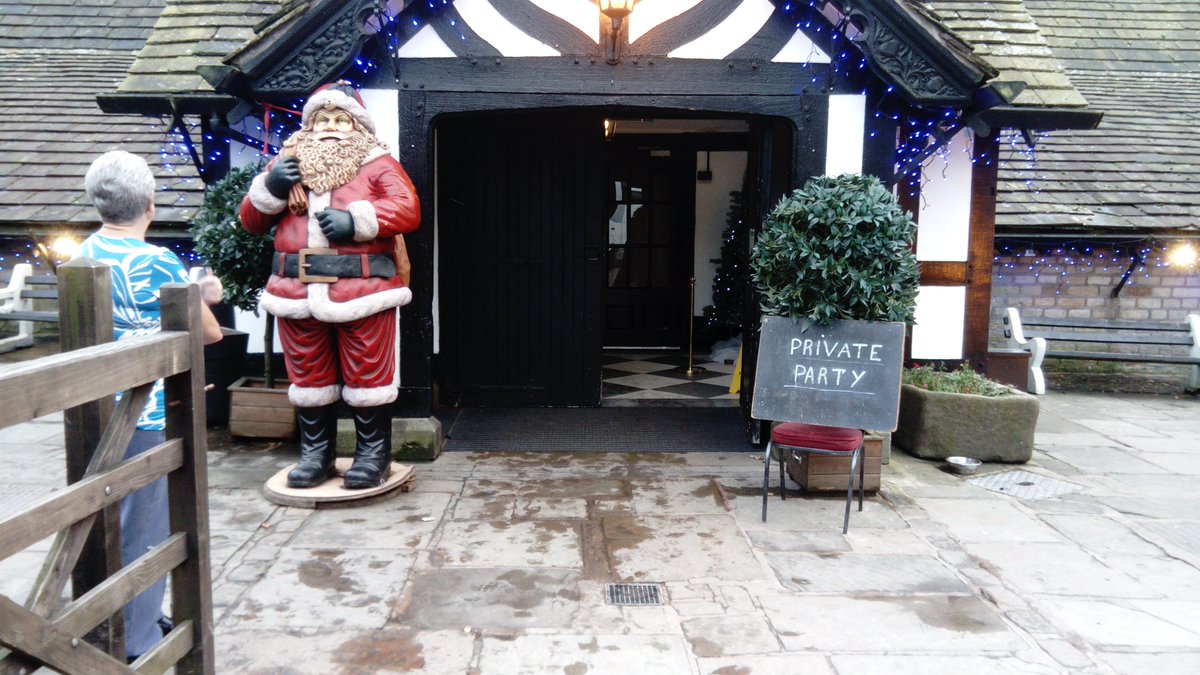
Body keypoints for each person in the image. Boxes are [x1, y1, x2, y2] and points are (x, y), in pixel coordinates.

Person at [78, 149, 224, 662]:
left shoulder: (82, 255)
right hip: (146, 414)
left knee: (106, 524)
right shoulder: (158, 261)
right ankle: (138, 641)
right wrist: (206, 294)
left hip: (93, 410)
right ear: (149, 204)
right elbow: (207, 333)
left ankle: (121, 619)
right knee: (144, 528)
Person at [239, 81, 420, 490]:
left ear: (358, 126)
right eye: (323, 120)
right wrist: (271, 188)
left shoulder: (377, 164)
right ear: (309, 125)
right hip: (295, 291)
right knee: (309, 379)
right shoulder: (286, 164)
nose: (331, 128)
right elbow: (250, 221)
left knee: (368, 377)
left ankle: (372, 455)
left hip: (362, 291)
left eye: (341, 120)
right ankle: (315, 455)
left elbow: (408, 208)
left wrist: (356, 221)